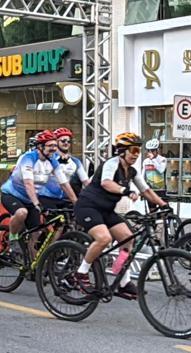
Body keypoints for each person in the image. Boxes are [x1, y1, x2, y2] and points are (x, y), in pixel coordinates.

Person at [71, 132, 171, 298]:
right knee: (104, 239)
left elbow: (145, 190)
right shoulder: (112, 163)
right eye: (133, 150)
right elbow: (106, 183)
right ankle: (81, 273)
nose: (136, 154)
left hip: (106, 210)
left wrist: (164, 205)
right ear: (122, 151)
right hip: (88, 206)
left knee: (128, 238)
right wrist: (125, 190)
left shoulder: (131, 171)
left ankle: (122, 281)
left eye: (138, 151)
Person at [0, 130, 79, 245]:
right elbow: (28, 183)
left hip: (30, 198)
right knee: (22, 212)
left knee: (35, 235)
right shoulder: (28, 158)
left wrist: (76, 203)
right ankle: (13, 239)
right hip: (12, 194)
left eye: (55, 145)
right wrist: (37, 205)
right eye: (50, 146)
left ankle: (33, 262)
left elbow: (64, 183)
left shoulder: (52, 161)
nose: (54, 148)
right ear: (40, 147)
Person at [54, 127, 89, 193]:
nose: (66, 143)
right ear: (56, 141)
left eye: (69, 141)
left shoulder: (75, 161)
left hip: (69, 198)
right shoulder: (50, 159)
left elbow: (86, 181)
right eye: (63, 141)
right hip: (50, 198)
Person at [141, 138, 169, 202]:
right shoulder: (146, 161)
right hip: (150, 190)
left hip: (161, 189)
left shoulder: (163, 159)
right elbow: (143, 176)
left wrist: (153, 159)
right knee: (152, 210)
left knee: (163, 209)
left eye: (152, 150)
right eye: (148, 150)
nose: (150, 152)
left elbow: (161, 170)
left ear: (157, 150)